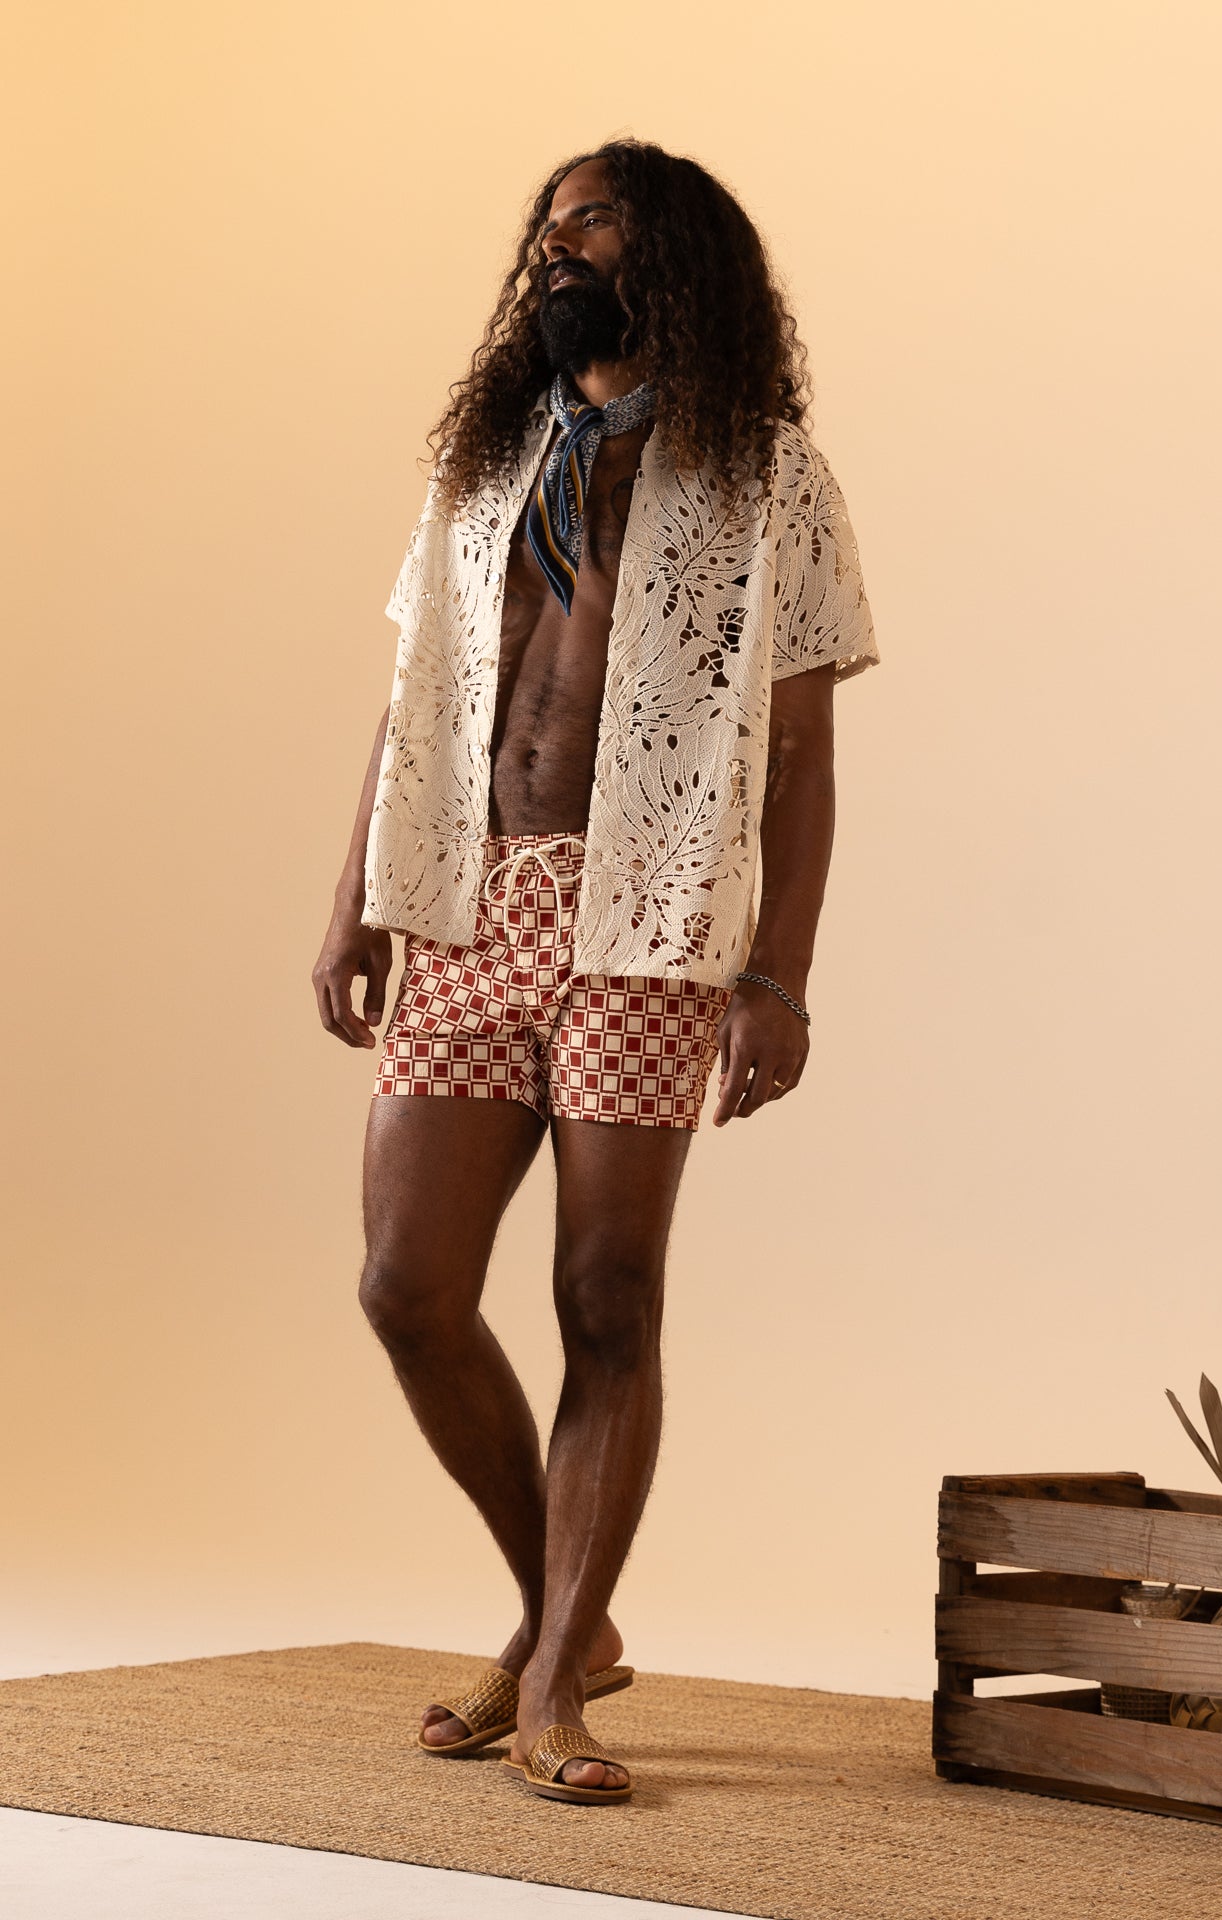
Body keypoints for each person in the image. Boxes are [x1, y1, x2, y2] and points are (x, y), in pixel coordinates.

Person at [312, 138, 878, 1805]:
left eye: (587, 227)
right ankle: (569, 1615)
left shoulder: (769, 476)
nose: (553, 256)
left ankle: (554, 1676)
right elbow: (412, 700)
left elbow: (805, 755)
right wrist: (352, 898)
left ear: (672, 251)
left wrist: (777, 978)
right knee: (406, 1289)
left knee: (603, 1301)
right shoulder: (490, 465)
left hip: (653, 925)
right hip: (472, 903)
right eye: (542, 234)